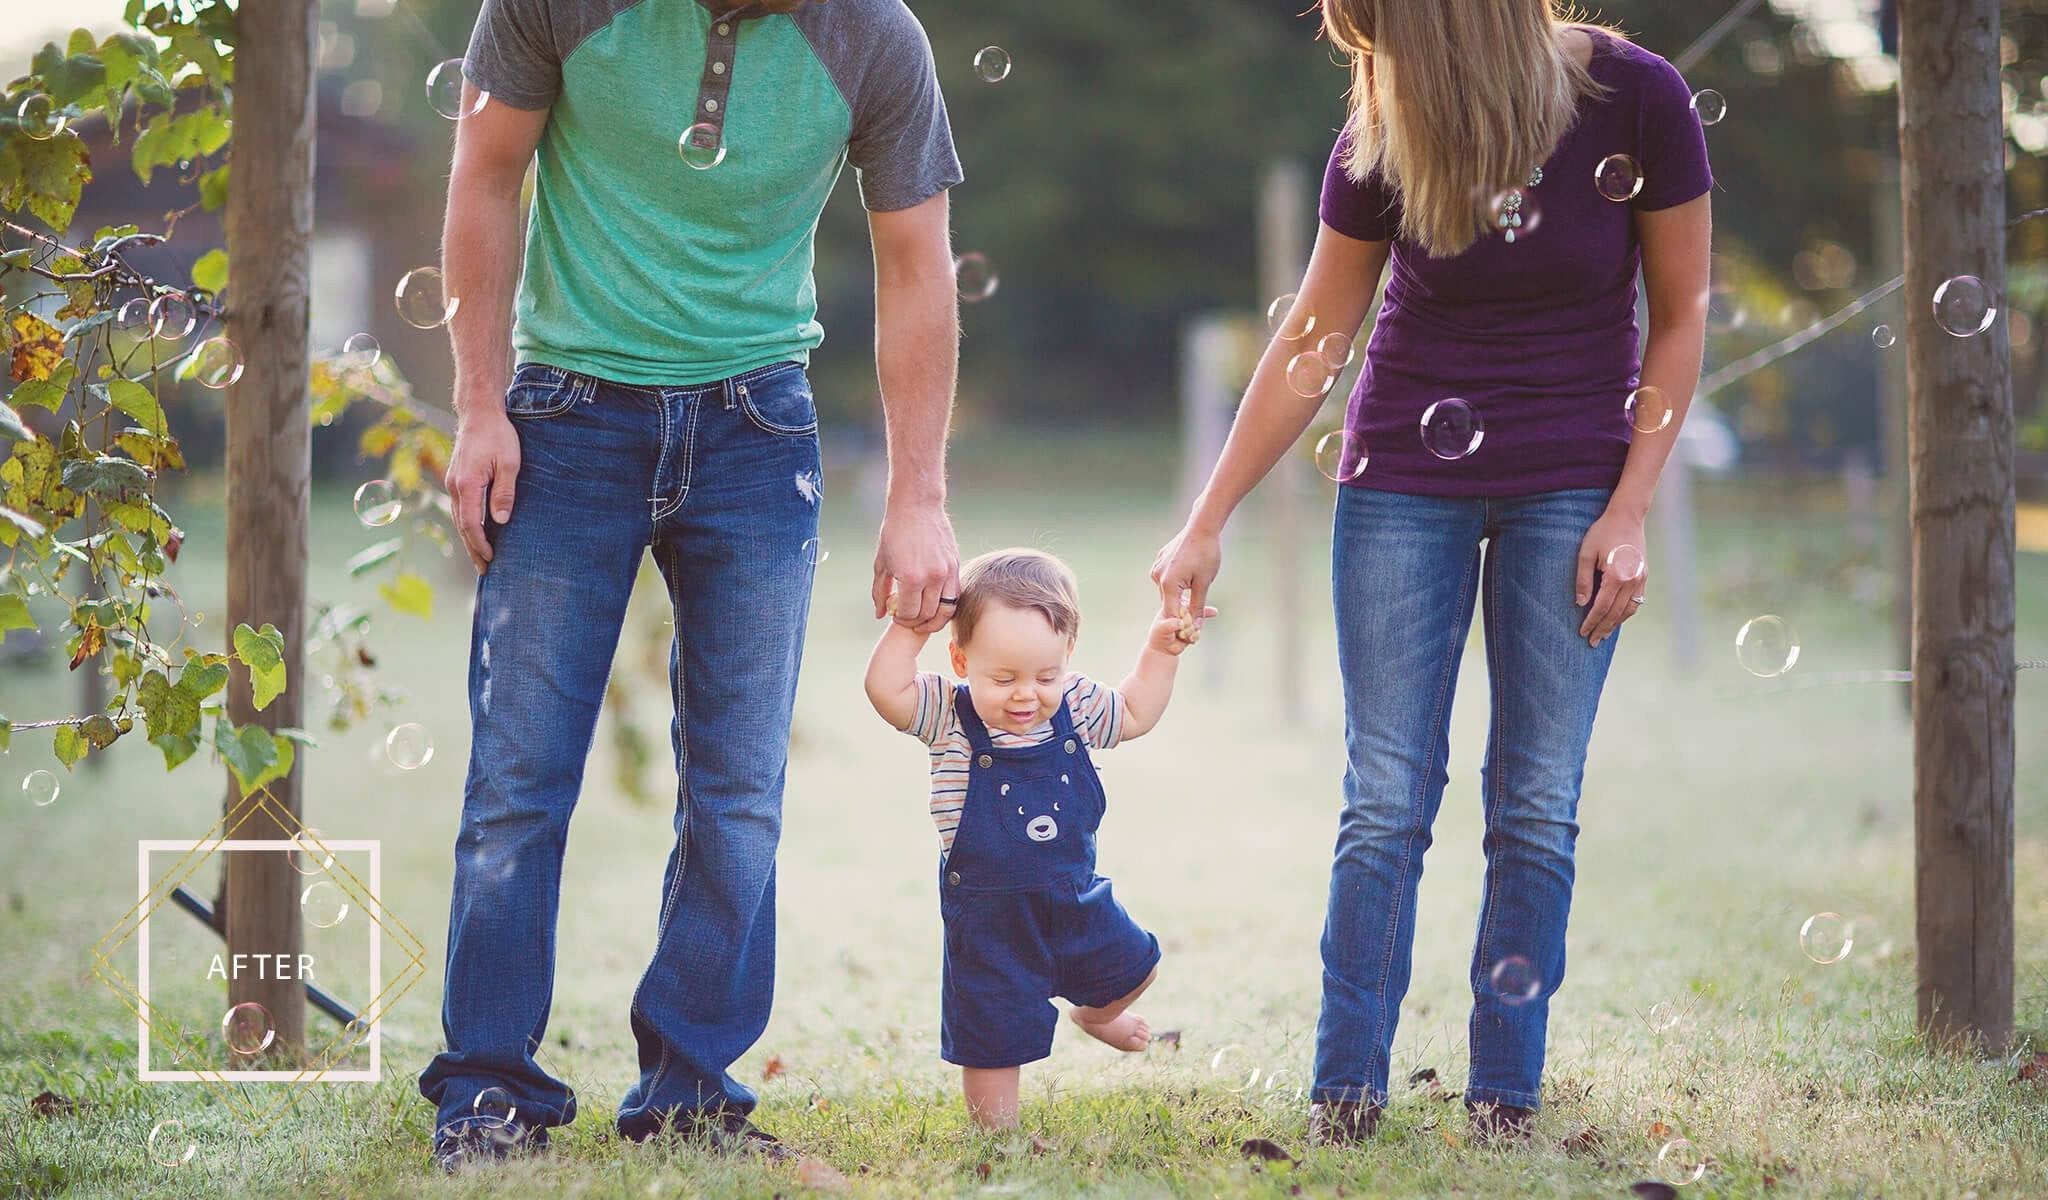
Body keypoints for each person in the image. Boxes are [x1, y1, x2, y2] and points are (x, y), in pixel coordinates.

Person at [1151, 0, 1713, 1146]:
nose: (1368, 56)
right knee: (1383, 801)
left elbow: (1682, 309)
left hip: (1574, 477)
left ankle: (1504, 1096)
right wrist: (1207, 516)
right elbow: (1318, 331)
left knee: (1535, 805)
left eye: (1379, 30)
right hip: (1405, 471)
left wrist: (1628, 509)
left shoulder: (1636, 97)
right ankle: (1343, 1091)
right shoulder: (1383, 121)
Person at [418, 0, 965, 1169]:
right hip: (565, 416)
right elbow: (483, 172)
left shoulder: (873, 36)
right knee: (519, 779)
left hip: (758, 429)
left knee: (739, 791)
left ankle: (689, 1094)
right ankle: (486, 1091)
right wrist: (477, 407)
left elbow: (914, 260)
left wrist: (917, 492)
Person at [862, 550, 1213, 1129]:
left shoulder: (1074, 706)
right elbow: (884, 689)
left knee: (1139, 964)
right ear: (960, 658)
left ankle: (1097, 1015)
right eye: (1003, 678)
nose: (1026, 694)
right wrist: (907, 628)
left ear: (1067, 659)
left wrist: (1161, 652)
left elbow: (1134, 712)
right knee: (993, 1038)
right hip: (989, 919)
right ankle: (997, 1136)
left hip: (1073, 898)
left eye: (1044, 676)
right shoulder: (947, 716)